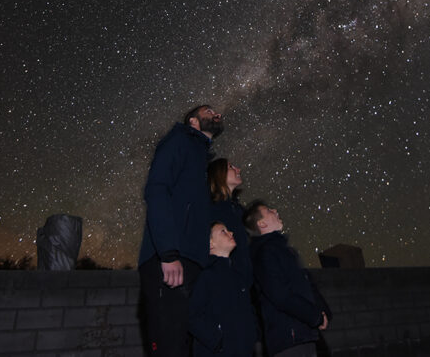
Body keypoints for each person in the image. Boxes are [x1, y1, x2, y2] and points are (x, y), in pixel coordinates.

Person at [139, 105, 224, 357]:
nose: (217, 113)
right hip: (171, 260)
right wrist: (168, 252)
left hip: (191, 261)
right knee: (170, 347)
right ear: (193, 122)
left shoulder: (200, 159)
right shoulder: (179, 140)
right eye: (209, 110)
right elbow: (157, 190)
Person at [244, 201, 331, 357]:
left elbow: (306, 285)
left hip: (303, 335)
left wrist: (323, 311)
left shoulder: (284, 251)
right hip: (289, 339)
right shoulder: (265, 253)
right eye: (269, 211)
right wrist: (315, 316)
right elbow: (281, 295)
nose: (275, 210)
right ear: (262, 223)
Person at [188, 222, 257, 357]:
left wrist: (252, 335)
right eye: (223, 231)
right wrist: (217, 340)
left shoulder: (238, 277)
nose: (231, 233)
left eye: (229, 230)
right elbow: (192, 315)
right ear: (211, 244)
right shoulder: (207, 276)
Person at [207, 158, 251, 277]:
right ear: (219, 174)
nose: (238, 169)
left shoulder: (239, 210)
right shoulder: (211, 210)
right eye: (231, 167)